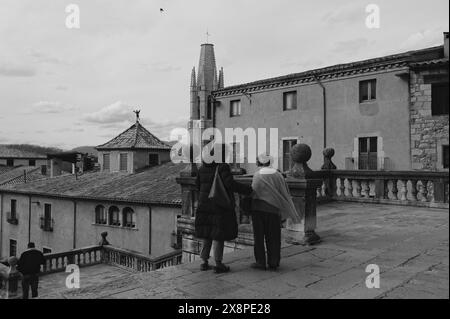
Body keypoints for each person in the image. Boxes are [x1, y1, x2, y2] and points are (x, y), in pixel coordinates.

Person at [195, 143, 253, 273]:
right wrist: (248, 190)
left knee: (207, 233)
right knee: (217, 235)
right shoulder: (222, 167)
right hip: (218, 206)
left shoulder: (202, 168)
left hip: (204, 205)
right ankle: (218, 263)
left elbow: (197, 186)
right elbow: (230, 184)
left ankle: (204, 262)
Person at [250, 153, 301, 271]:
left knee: (258, 237)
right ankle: (273, 261)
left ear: (259, 162)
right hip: (273, 210)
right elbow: (284, 191)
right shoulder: (278, 175)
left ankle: (260, 262)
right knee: (273, 237)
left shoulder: (257, 175)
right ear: (269, 162)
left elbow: (254, 191)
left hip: (258, 209)